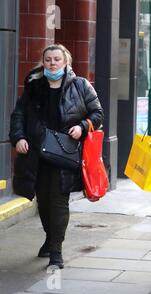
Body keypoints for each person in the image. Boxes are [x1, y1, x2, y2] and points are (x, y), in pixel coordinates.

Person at [9, 44, 104, 269]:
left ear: (66, 62)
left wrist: (82, 126)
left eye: (56, 59)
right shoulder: (34, 86)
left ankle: (56, 251)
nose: (52, 63)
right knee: (42, 201)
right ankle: (50, 238)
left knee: (59, 201)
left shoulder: (80, 86)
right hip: (37, 153)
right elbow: (19, 114)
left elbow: (97, 113)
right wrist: (18, 137)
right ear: (43, 63)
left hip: (65, 153)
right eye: (48, 59)